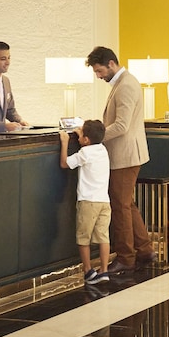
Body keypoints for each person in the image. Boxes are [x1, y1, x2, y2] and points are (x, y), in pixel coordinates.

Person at [86, 46, 156, 274]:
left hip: (124, 155)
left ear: (111, 64)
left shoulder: (125, 85)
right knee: (126, 203)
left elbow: (122, 125)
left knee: (120, 205)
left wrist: (95, 137)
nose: (98, 76)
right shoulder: (123, 82)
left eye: (99, 71)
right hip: (126, 154)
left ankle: (126, 257)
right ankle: (144, 249)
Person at [59, 120, 111, 285]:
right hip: (104, 201)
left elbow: (64, 163)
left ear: (86, 140)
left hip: (88, 202)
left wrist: (65, 142)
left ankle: (88, 270)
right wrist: (81, 133)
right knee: (103, 236)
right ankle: (104, 270)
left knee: (83, 237)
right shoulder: (103, 150)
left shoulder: (85, 153)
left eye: (81, 133)